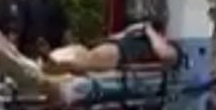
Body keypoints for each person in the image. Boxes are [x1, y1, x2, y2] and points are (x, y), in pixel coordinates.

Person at [41, 20, 179, 74]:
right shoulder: (144, 37)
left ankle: (52, 64)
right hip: (115, 47)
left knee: (86, 61)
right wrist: (133, 29)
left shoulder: (172, 49)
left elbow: (163, 53)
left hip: (120, 54)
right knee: (81, 51)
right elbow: (118, 36)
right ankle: (50, 60)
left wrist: (149, 30)